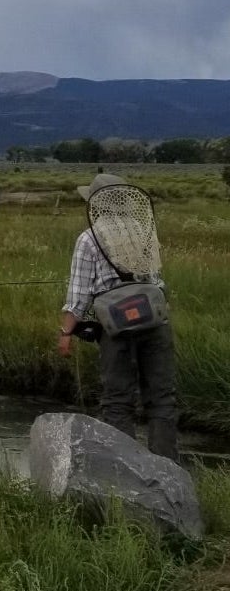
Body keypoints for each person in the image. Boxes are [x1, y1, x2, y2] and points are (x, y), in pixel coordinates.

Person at [57, 172, 177, 460]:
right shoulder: (142, 230)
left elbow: (78, 296)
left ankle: (125, 469)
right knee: (162, 399)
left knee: (117, 401)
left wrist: (65, 334)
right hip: (154, 320)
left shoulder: (88, 238)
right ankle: (168, 467)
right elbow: (156, 281)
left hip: (115, 326)